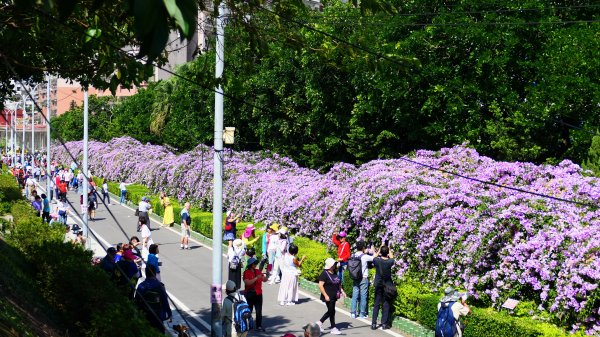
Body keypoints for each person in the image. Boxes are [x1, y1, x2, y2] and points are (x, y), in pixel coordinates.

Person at [135, 265, 172, 334]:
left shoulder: (141, 286)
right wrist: (169, 313)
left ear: (146, 273)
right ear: (154, 273)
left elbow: (136, 301)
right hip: (158, 315)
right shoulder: (160, 286)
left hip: (145, 314)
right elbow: (165, 301)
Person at [316, 257, 345, 335]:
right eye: (333, 264)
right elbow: (320, 285)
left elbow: (338, 282)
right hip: (328, 296)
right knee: (331, 311)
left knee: (331, 311)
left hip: (334, 295)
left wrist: (342, 291)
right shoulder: (324, 274)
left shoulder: (334, 272)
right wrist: (325, 295)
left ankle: (320, 323)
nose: (334, 265)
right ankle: (332, 327)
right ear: (330, 265)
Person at [371, 245, 395, 330]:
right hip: (387, 285)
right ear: (387, 253)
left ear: (381, 252)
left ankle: (374, 324)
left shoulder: (377, 260)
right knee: (386, 303)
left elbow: (374, 257)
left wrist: (379, 249)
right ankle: (384, 324)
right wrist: (389, 249)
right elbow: (392, 257)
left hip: (378, 284)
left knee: (376, 303)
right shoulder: (389, 262)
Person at [351, 241, 376, 319]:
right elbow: (374, 258)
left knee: (355, 295)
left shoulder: (353, 255)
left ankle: (353, 313)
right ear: (363, 248)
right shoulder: (365, 256)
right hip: (363, 278)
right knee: (363, 296)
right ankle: (362, 314)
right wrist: (375, 250)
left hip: (355, 277)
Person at [243, 257, 265, 332]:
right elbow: (247, 282)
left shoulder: (258, 271)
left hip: (258, 293)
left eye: (255, 263)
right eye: (254, 263)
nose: (255, 265)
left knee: (259, 311)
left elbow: (264, 279)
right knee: (249, 309)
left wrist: (267, 273)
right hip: (250, 294)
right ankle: (248, 324)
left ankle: (258, 326)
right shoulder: (246, 272)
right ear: (250, 265)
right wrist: (256, 278)